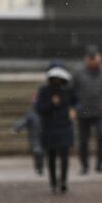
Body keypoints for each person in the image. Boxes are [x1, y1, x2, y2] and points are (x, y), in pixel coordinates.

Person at [72, 44, 102, 175]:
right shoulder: (78, 73)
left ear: (100, 57)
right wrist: (73, 107)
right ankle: (84, 166)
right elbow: (72, 91)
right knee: (83, 140)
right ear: (86, 59)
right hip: (83, 111)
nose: (93, 60)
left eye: (95, 57)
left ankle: (100, 164)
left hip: (100, 111)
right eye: (90, 58)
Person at [35, 64, 79, 194]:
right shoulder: (44, 91)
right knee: (51, 157)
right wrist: (51, 103)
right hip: (49, 128)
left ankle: (63, 181)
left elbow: (77, 102)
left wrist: (74, 110)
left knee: (64, 156)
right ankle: (53, 182)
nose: (57, 81)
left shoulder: (68, 91)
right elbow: (39, 109)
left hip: (64, 126)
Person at [12, 96, 44, 175]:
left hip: (43, 135)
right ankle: (39, 167)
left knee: (41, 152)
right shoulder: (31, 113)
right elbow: (24, 121)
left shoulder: (45, 112)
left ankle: (40, 167)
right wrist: (17, 128)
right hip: (34, 136)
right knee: (37, 151)